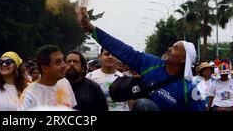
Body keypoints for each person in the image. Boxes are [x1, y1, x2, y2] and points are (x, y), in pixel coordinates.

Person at [76, 7, 205, 111]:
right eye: (172, 46)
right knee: (142, 105)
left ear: (183, 59)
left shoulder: (190, 89)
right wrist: (90, 28)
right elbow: (122, 49)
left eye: (176, 48)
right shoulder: (151, 63)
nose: (169, 48)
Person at [18, 45, 77, 111]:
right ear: (45, 68)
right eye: (58, 62)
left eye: (63, 60)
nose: (64, 65)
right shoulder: (29, 96)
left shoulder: (65, 83)